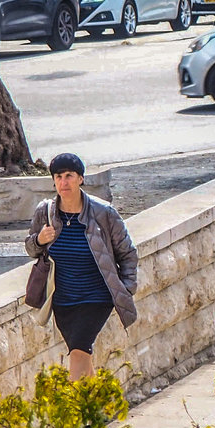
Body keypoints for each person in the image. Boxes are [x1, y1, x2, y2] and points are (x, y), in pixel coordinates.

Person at [24, 153, 138, 381]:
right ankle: (96, 407)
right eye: (58, 177)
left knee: (78, 350)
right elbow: (31, 249)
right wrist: (40, 240)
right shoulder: (45, 212)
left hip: (96, 297)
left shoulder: (103, 213)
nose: (64, 182)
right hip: (63, 300)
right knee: (82, 354)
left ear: (81, 179)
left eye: (69, 176)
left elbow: (128, 253)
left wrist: (126, 288)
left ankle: (73, 410)